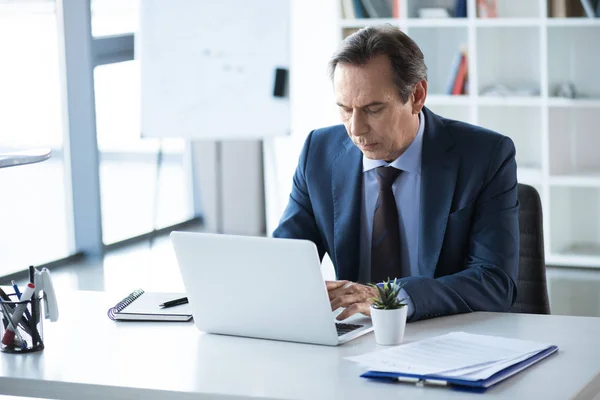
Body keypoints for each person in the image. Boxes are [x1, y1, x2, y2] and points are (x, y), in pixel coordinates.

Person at [273, 25, 519, 322]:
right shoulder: (319, 152)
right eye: (345, 109)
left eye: (373, 109)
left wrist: (390, 297)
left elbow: (495, 283)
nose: (355, 129)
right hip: (356, 336)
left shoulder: (485, 155)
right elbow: (285, 259)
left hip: (446, 336)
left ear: (417, 95)